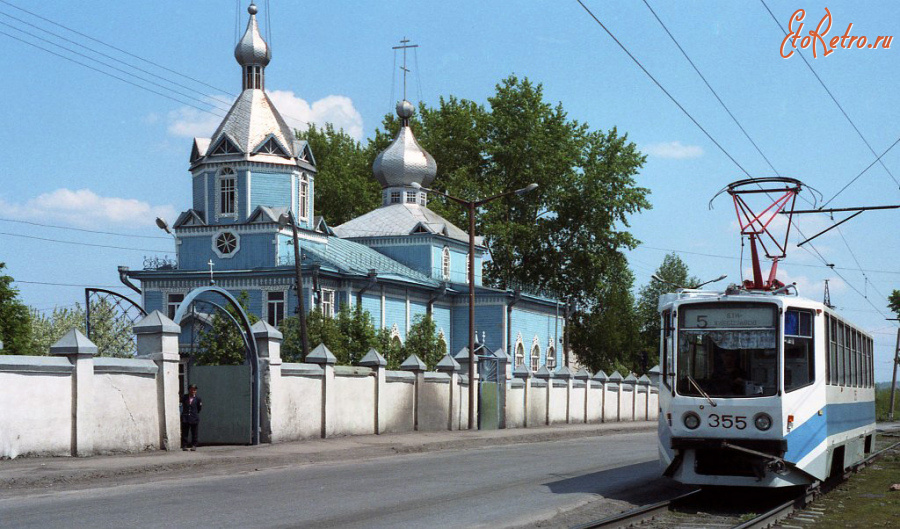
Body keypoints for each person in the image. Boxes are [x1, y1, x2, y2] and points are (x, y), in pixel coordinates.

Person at [181, 384, 202, 451]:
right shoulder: (184, 397)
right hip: (185, 417)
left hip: (194, 417)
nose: (193, 391)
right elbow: (182, 406)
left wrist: (194, 414)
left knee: (194, 433)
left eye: (195, 390)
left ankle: (194, 445)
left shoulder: (198, 399)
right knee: (185, 433)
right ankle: (184, 445)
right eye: (192, 389)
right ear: (189, 390)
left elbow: (199, 408)